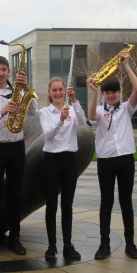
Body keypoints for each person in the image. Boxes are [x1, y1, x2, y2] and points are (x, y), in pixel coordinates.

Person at [0, 56, 37, 256]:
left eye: (4, 69)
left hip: (16, 147)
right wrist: (3, 111)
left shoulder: (19, 92)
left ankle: (15, 238)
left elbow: (33, 113)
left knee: (15, 195)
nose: (1, 73)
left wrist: (26, 89)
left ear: (9, 71)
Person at [87, 50, 137, 260]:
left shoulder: (127, 108)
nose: (111, 95)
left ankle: (130, 244)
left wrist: (125, 64)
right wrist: (93, 92)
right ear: (104, 94)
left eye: (115, 92)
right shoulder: (100, 110)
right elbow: (91, 117)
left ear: (119, 93)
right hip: (106, 161)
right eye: (107, 93)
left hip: (126, 158)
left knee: (126, 202)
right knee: (106, 203)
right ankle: (104, 245)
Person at [39, 78, 86, 260]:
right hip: (51, 160)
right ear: (50, 93)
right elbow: (48, 135)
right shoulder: (44, 112)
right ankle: (52, 246)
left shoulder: (72, 109)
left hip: (69, 160)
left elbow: (82, 122)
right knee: (51, 206)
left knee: (67, 206)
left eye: (61, 90)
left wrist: (74, 100)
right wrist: (60, 120)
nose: (58, 93)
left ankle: (68, 245)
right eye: (55, 90)